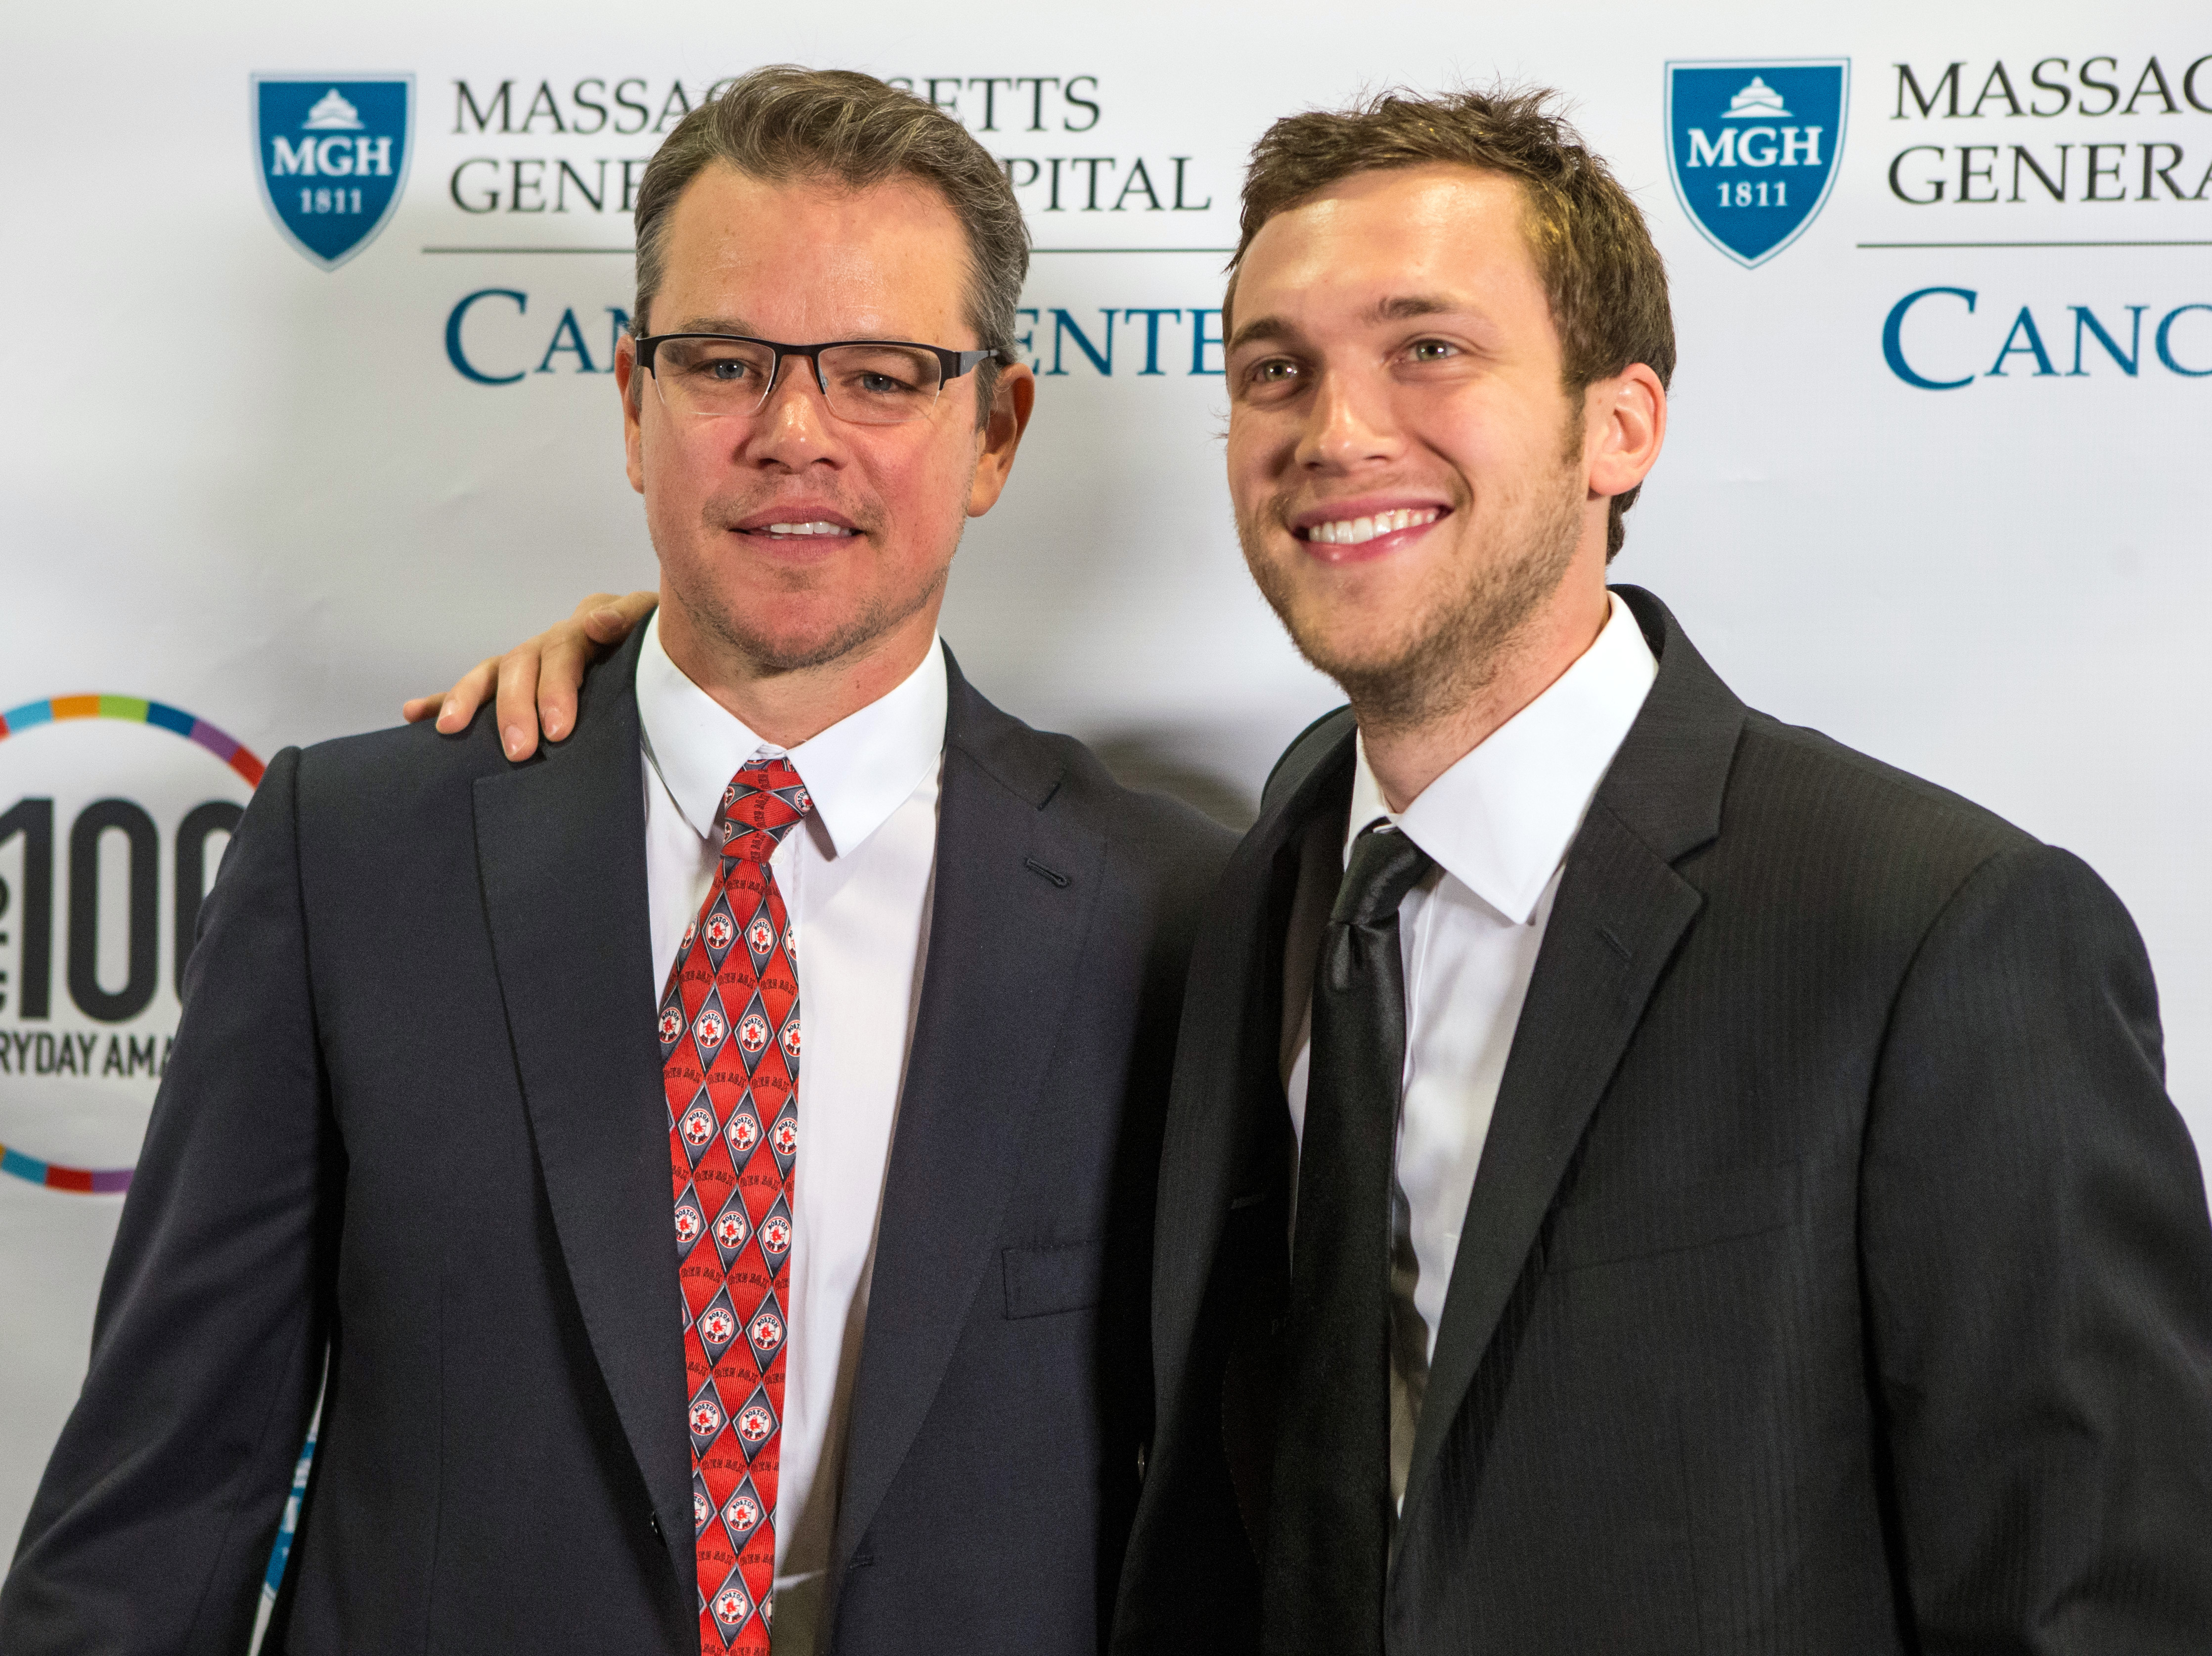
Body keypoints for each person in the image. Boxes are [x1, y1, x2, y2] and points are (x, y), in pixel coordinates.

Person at [456, 87, 2212, 1655]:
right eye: (1275, 369)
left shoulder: (1935, 933)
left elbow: (2098, 1600)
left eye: (1427, 350)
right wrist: (658, 679)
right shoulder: (1251, 882)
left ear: (1620, 427)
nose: (1335, 430)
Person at [0, 68, 1230, 1656]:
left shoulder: (1172, 914)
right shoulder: (354, 858)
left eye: (878, 376)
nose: (795, 435)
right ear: (631, 404)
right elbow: (158, 1506)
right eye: (727, 363)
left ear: (994, 427)